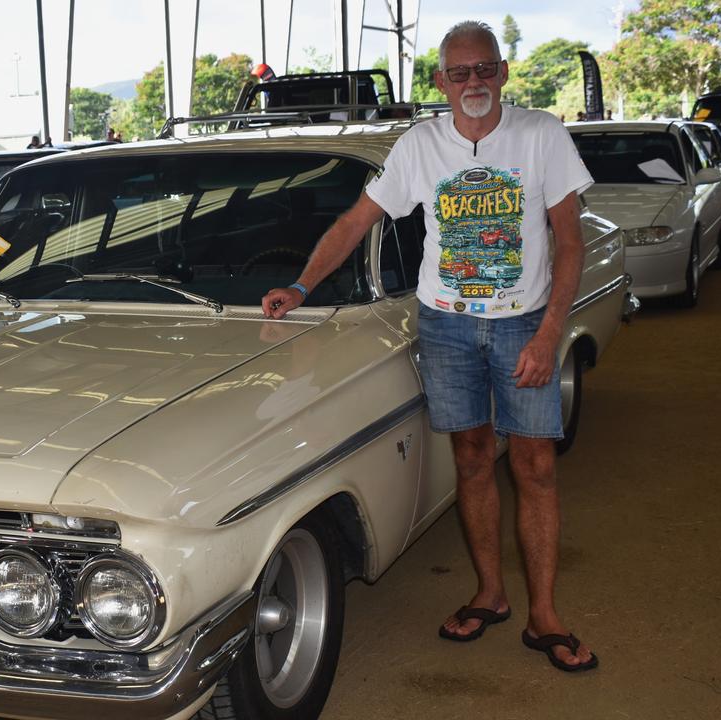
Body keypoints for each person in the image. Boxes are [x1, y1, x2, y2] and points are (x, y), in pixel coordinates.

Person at [261, 20, 598, 673]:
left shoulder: (540, 136)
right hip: (445, 324)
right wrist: (303, 284)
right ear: (441, 81)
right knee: (472, 458)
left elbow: (571, 241)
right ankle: (492, 595)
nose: (473, 82)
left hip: (522, 323)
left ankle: (546, 616)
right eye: (459, 72)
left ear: (502, 73)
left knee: (534, 466)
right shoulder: (421, 145)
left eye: (484, 69)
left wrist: (551, 331)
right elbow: (358, 221)